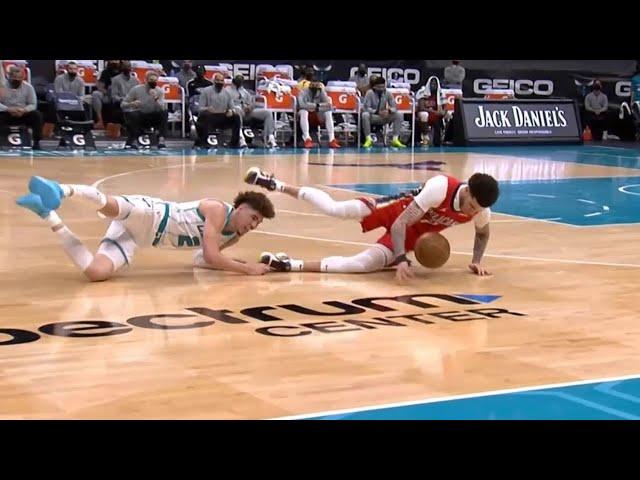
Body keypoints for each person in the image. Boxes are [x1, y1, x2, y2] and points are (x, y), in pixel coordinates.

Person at [244, 167, 499, 282]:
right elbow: (400, 223)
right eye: (472, 205)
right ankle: (276, 185)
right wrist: (400, 259)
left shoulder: (481, 211)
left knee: (362, 266)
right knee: (334, 209)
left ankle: (287, 264)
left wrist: (477, 259)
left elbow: (482, 234)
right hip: (394, 210)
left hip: (415, 233)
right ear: (468, 191)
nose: (473, 212)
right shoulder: (441, 187)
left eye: (478, 209)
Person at [15, 175, 276, 282]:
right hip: (151, 214)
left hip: (140, 238)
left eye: (257, 223)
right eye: (253, 218)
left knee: (95, 273)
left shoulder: (231, 238)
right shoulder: (218, 210)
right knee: (108, 204)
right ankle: (60, 189)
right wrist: (246, 269)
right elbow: (210, 256)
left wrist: (229, 261)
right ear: (240, 207)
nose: (253, 225)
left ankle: (47, 214)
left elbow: (201, 260)